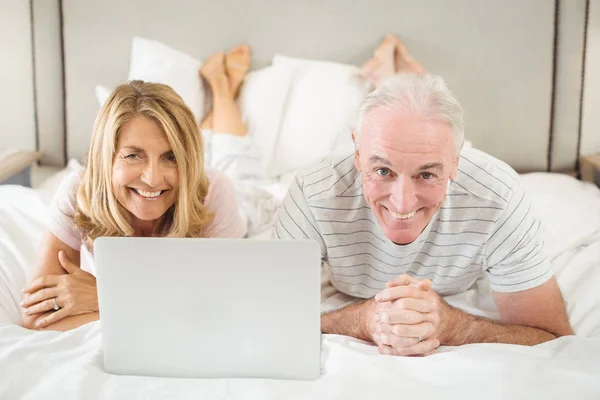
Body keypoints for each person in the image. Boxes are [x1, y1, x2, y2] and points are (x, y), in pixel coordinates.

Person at [273, 36, 574, 356]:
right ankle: (395, 79)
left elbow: (552, 336)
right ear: (357, 155)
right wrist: (360, 319)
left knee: (416, 139)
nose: (402, 204)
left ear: (456, 163)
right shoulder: (313, 189)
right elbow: (270, 316)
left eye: (427, 174)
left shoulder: (498, 195)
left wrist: (454, 325)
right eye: (382, 171)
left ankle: (400, 80)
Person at [20, 80, 246, 331]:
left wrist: (106, 298)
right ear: (105, 158)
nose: (152, 178)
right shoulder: (79, 192)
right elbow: (35, 319)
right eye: (133, 155)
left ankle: (223, 91)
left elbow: (225, 312)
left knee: (239, 164)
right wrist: (160, 309)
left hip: (247, 203)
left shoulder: (213, 191)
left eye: (171, 157)